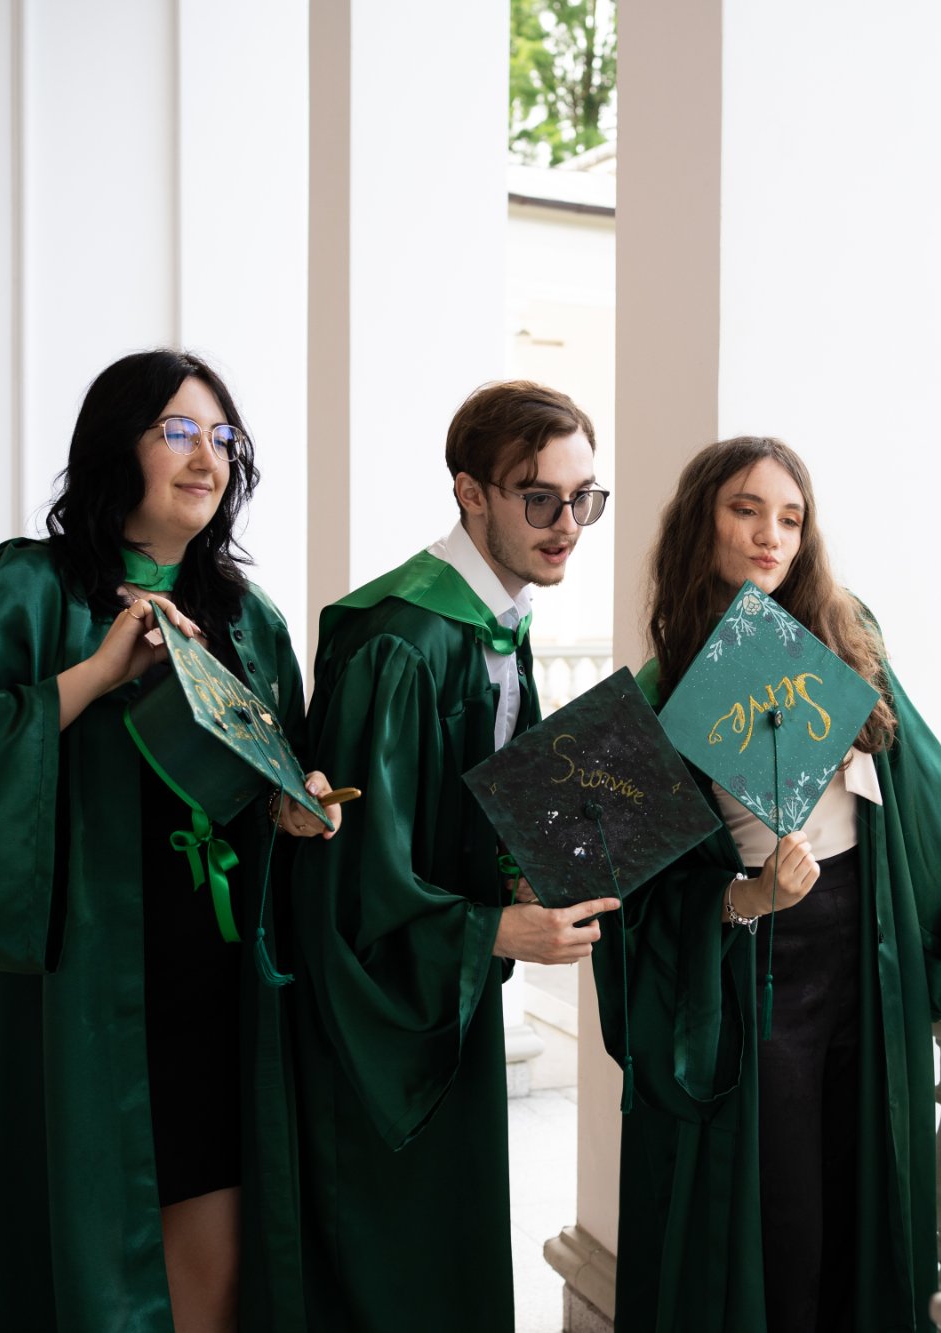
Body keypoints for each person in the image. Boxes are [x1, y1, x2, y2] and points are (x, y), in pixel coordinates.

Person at [0, 349, 340, 1332]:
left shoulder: (249, 622)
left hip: (215, 987)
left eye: (221, 438)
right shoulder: (33, 590)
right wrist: (93, 674)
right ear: (114, 445)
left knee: (214, 1260)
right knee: (81, 1252)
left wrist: (294, 801)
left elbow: (265, 772)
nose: (205, 457)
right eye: (175, 431)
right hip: (80, 991)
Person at [597, 436, 941, 1333]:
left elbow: (927, 784)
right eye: (745, 509)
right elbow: (638, 911)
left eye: (791, 516)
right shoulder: (658, 693)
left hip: (867, 957)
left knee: (867, 1192)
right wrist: (746, 898)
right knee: (786, 1219)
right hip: (760, 978)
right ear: (703, 520)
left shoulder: (849, 635)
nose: (771, 534)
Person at [288, 381, 618, 1331]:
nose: (567, 525)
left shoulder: (498, 623)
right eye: (539, 497)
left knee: (451, 1246)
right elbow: (350, 876)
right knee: (395, 1262)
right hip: (384, 1018)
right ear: (471, 494)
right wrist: (493, 926)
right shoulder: (403, 641)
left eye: (584, 497)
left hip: (450, 995)